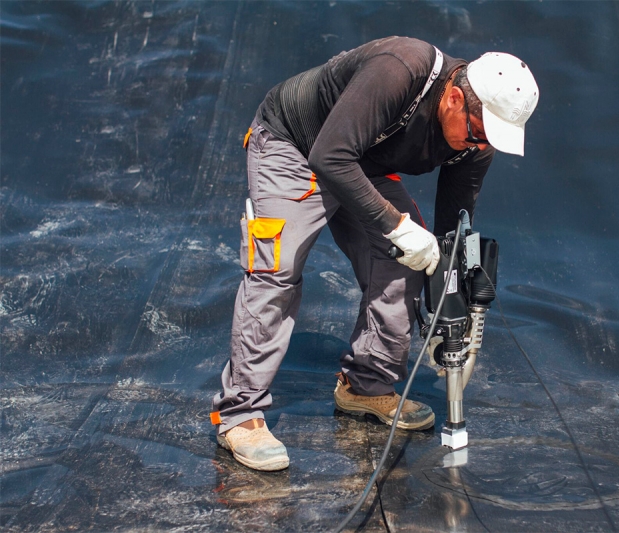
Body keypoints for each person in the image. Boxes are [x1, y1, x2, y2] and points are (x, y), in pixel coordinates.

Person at [210, 36, 538, 471]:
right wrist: (396, 225)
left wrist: (447, 299)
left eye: (490, 141)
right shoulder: (400, 69)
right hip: (296, 145)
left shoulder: (476, 141)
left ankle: (366, 386)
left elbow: (450, 231)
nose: (479, 147)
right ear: (454, 98)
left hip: (359, 158)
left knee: (408, 262)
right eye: (478, 134)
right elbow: (329, 155)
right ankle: (240, 416)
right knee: (277, 269)